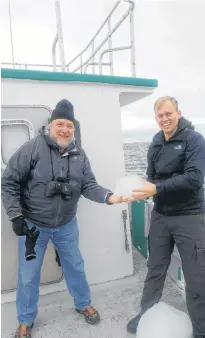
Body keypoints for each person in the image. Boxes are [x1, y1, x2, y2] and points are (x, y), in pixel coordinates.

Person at [1, 99, 127, 338]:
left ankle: (83, 303)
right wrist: (16, 216)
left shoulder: (79, 154)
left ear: (73, 128)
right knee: (28, 276)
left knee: (75, 267)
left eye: (69, 125)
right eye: (60, 124)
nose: (65, 129)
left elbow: (89, 185)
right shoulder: (32, 148)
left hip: (66, 226)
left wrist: (110, 197)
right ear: (51, 125)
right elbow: (8, 181)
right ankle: (25, 320)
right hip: (33, 227)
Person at [126, 96, 205, 338]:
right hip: (161, 215)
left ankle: (201, 328)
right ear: (156, 118)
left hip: (189, 216)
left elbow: (195, 178)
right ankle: (146, 313)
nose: (165, 119)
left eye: (168, 114)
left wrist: (156, 189)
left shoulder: (194, 140)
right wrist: (133, 188)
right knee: (155, 269)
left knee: (196, 276)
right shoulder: (155, 141)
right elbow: (151, 176)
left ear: (178, 113)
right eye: (160, 116)